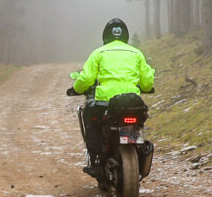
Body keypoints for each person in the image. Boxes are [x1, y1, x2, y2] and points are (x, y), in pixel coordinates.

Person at [66, 18, 155, 180]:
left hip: (104, 102)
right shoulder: (136, 53)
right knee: (137, 125)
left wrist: (75, 89)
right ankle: (137, 150)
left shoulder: (99, 53)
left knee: (92, 122)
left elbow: (86, 79)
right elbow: (148, 82)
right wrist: (145, 88)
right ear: (126, 36)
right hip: (132, 101)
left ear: (105, 36)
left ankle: (97, 159)